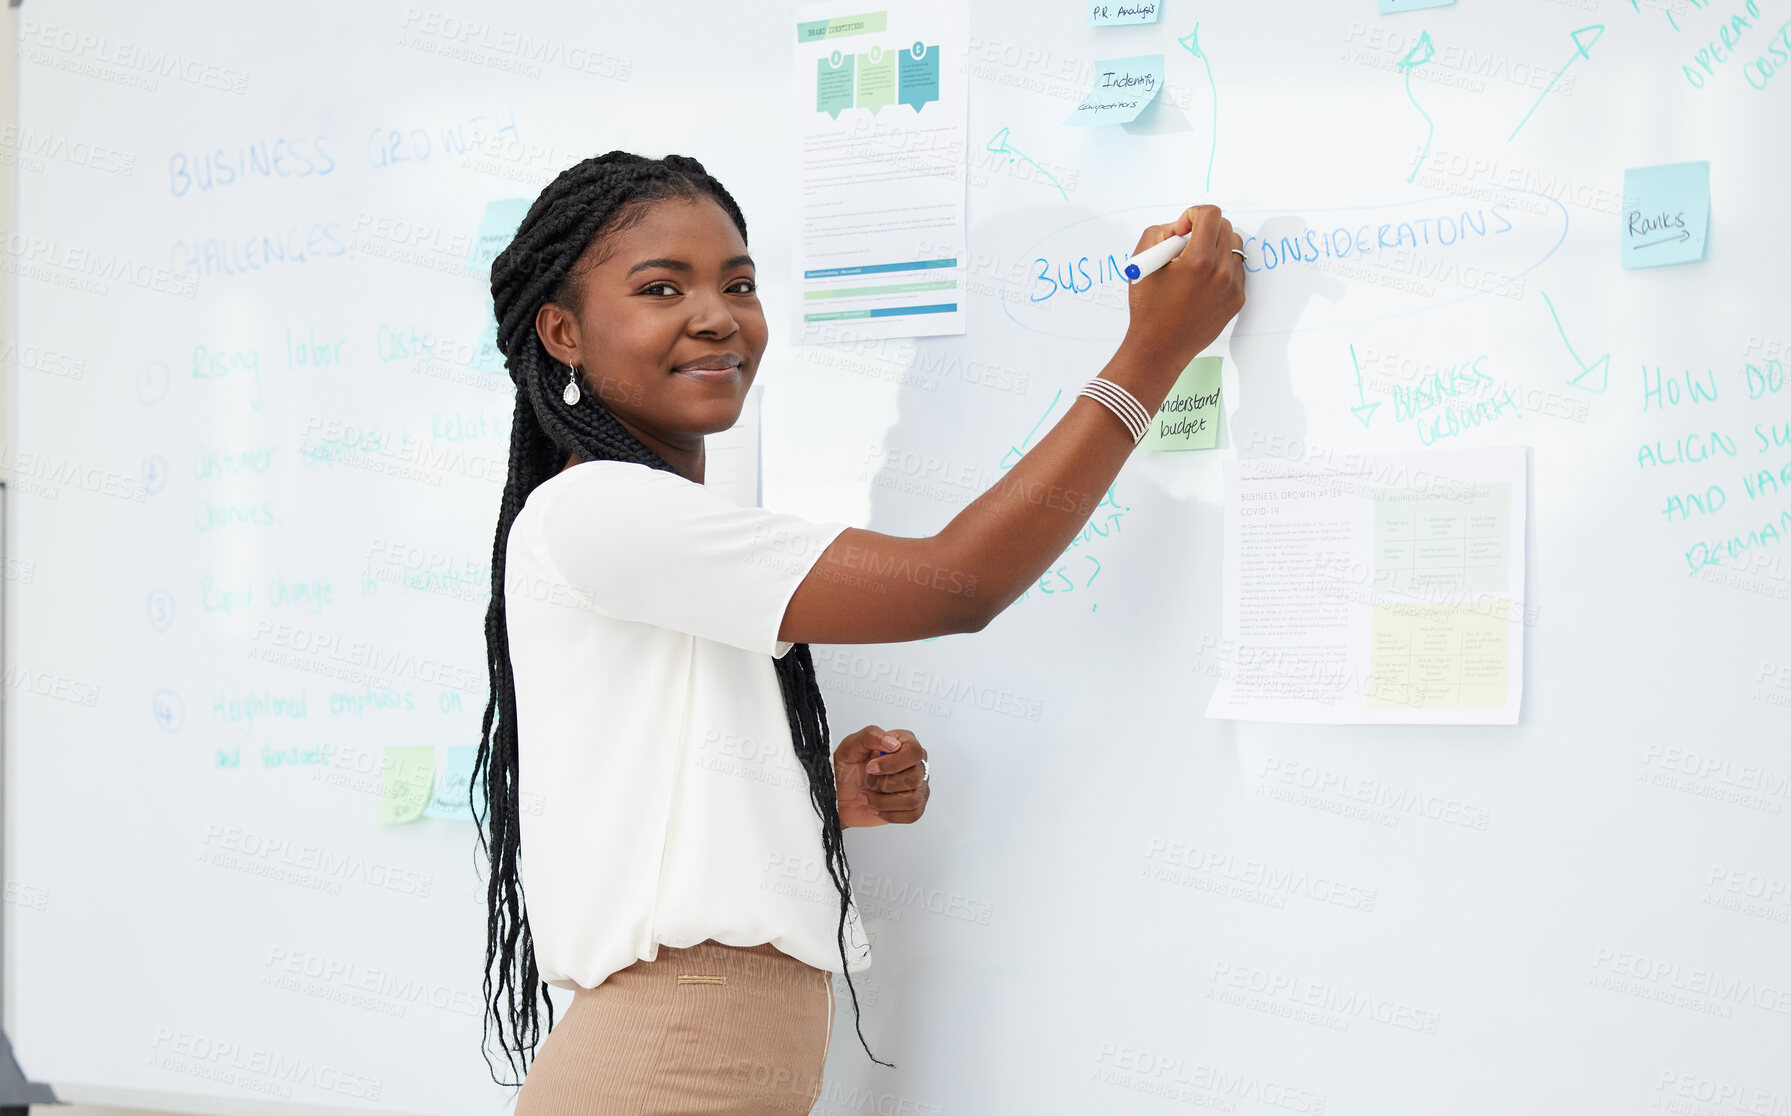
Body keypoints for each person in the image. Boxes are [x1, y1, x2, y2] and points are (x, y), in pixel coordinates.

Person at [474, 151, 1245, 1114]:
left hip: (690, 1045)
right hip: (667, 1052)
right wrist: (1151, 357)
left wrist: (800, 798)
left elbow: (639, 790)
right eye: (661, 287)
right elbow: (958, 584)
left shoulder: (649, 526)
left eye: (739, 283)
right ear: (562, 331)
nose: (716, 314)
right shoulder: (600, 509)